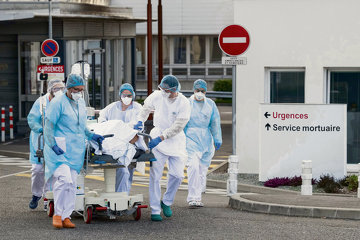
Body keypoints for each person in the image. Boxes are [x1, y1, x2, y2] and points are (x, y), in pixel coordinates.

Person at [44, 74, 104, 229]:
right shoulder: (58, 103)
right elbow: (49, 125)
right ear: (69, 88)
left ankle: (66, 216)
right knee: (64, 180)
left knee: (72, 184)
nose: (79, 92)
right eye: (76, 89)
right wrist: (51, 144)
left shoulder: (81, 102)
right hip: (59, 149)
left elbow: (81, 126)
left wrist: (92, 135)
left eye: (81, 90)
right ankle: (57, 214)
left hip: (75, 150)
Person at [134, 75, 191, 221]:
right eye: (161, 89)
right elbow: (145, 108)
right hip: (157, 135)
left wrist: (162, 137)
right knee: (155, 176)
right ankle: (155, 209)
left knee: (178, 175)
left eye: (166, 90)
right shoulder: (158, 96)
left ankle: (166, 201)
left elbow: (178, 126)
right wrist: (140, 121)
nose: (163, 92)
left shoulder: (183, 103)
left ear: (174, 89)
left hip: (175, 140)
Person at [98, 83, 143, 194]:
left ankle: (123, 196)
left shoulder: (138, 108)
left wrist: (132, 128)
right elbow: (102, 117)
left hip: (130, 142)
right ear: (120, 95)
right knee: (123, 170)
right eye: (124, 95)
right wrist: (105, 125)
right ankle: (120, 196)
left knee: (126, 170)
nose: (126, 98)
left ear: (133, 95)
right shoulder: (112, 107)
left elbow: (136, 129)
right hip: (113, 142)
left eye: (129, 95)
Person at [27, 79, 65, 210]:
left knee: (53, 171)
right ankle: (36, 194)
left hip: (56, 140)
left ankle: (48, 199)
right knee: (38, 170)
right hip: (40, 140)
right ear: (50, 89)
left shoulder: (64, 102)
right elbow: (32, 119)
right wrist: (40, 129)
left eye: (61, 88)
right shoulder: (41, 102)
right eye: (56, 88)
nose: (59, 91)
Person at [185, 79, 222, 208]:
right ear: (193, 90)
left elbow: (215, 122)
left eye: (202, 91)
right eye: (197, 90)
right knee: (193, 167)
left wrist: (217, 138)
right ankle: (192, 197)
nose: (200, 93)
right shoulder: (187, 103)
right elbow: (182, 122)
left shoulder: (210, 104)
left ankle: (198, 197)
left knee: (201, 170)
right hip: (190, 138)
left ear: (206, 91)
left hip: (206, 139)